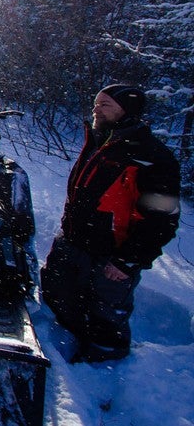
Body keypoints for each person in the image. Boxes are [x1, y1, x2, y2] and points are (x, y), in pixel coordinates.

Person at [41, 84, 181, 363]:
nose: (96, 109)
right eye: (96, 103)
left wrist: (128, 260)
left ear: (126, 111)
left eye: (105, 105)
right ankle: (65, 355)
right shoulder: (100, 141)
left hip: (111, 255)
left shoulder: (150, 155)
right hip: (74, 243)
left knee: (105, 321)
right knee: (59, 302)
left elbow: (162, 218)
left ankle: (103, 379)